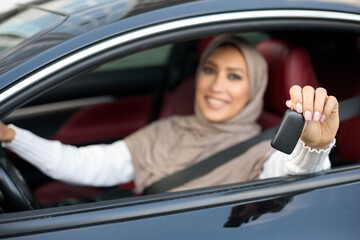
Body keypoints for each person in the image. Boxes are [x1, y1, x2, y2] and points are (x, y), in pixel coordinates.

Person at [0, 36, 339, 195]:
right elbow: (87, 164)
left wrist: (313, 149)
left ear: (255, 87)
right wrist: (13, 137)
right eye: (210, 69)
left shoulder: (265, 151)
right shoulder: (169, 129)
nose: (216, 85)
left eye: (235, 76)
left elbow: (290, 177)